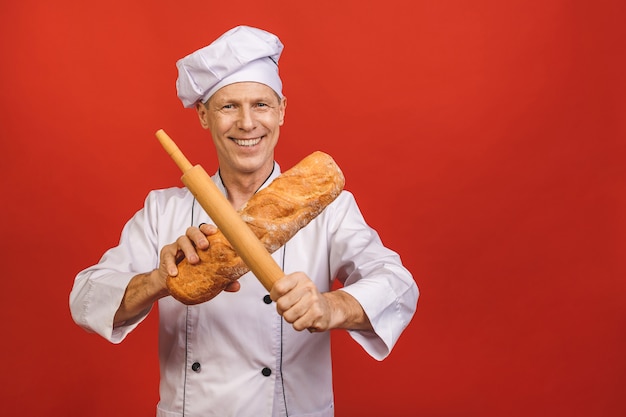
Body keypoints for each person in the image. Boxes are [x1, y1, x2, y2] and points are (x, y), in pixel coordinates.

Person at [70, 25, 418, 417]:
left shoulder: (329, 209)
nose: (247, 124)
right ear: (204, 115)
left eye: (261, 105)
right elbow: (85, 300)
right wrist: (159, 280)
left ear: (282, 110)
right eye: (228, 106)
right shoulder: (162, 210)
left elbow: (398, 285)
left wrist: (330, 306)